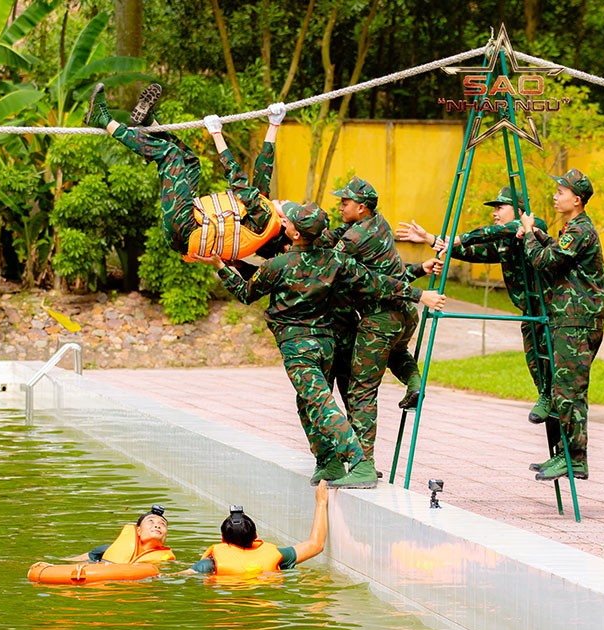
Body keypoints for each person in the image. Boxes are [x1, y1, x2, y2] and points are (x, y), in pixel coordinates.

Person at [194, 192, 446, 489]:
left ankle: (361, 463)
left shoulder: (278, 266)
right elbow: (377, 282)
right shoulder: (335, 259)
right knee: (307, 403)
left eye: (288, 222)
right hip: (325, 344)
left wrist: (220, 266)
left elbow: (245, 293)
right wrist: (419, 293)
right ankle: (329, 461)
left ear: (296, 233)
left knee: (321, 403)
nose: (284, 222)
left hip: (300, 349)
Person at [396, 186, 553, 424]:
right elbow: (470, 252)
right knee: (536, 366)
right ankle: (545, 397)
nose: (495, 212)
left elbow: (494, 232)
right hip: (529, 312)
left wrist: (458, 238)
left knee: (556, 371)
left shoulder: (533, 225)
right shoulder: (505, 241)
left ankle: (551, 402)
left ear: (519, 209)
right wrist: (430, 239)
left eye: (500, 207)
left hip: (552, 312)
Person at [317, 177, 441, 466]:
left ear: (361, 208)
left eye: (345, 202)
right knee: (397, 353)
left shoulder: (354, 240)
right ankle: (414, 381)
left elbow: (334, 265)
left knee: (361, 391)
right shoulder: (380, 223)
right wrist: (419, 272)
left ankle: (363, 464)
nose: (340, 206)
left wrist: (420, 292)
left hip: (381, 320)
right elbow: (389, 271)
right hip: (406, 316)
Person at [85, 82, 286, 261]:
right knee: (190, 162)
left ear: (285, 221)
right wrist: (274, 124)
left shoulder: (267, 218)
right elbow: (263, 172)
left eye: (290, 207)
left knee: (169, 155)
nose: (286, 201)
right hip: (186, 227)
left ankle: (102, 119)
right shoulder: (264, 221)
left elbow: (237, 179)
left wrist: (216, 134)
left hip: (186, 227)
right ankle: (151, 123)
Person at [518, 169, 604, 481]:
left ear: (577, 200)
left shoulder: (580, 230)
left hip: (578, 320)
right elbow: (556, 249)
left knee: (568, 391)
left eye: (561, 191)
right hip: (570, 318)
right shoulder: (573, 228)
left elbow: (545, 261)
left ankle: (574, 459)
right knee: (562, 389)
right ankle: (565, 455)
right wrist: (539, 236)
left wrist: (529, 234)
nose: (556, 196)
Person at [182, 480, 331, 576]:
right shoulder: (276, 555)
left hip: (227, 601)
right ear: (256, 537)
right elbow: (315, 545)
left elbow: (181, 575)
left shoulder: (210, 564)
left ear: (223, 540)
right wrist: (321, 502)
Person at [69, 504, 176, 564]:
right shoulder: (108, 549)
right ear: (138, 530)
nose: (157, 526)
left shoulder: (167, 559)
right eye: (151, 522)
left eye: (162, 524)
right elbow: (71, 562)